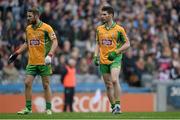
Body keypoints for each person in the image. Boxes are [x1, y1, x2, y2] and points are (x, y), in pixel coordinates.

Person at [8, 7, 58, 115]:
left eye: (30, 16)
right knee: (27, 83)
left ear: (36, 16)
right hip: (32, 61)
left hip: (44, 61)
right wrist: (16, 53)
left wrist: (50, 55)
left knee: (45, 85)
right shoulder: (28, 29)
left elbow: (55, 42)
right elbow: (27, 43)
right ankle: (28, 108)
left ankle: (48, 109)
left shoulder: (47, 28)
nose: (28, 18)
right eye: (27, 16)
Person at [93, 6, 130, 114]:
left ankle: (118, 104)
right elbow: (98, 44)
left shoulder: (119, 29)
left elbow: (127, 44)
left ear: (111, 15)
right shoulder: (99, 29)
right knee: (108, 85)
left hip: (115, 58)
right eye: (101, 14)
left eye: (104, 14)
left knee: (114, 80)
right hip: (103, 60)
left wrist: (116, 52)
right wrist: (95, 56)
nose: (102, 16)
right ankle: (114, 107)